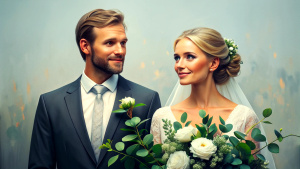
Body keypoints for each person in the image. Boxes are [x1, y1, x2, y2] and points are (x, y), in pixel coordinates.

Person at [28, 9, 161, 169]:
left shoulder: (147, 100)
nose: (120, 51)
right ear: (85, 46)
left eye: (123, 43)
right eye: (110, 43)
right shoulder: (50, 104)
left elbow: (153, 164)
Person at [150, 27, 276, 168]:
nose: (179, 65)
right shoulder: (161, 117)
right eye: (177, 58)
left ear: (213, 63)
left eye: (189, 56)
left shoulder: (244, 117)